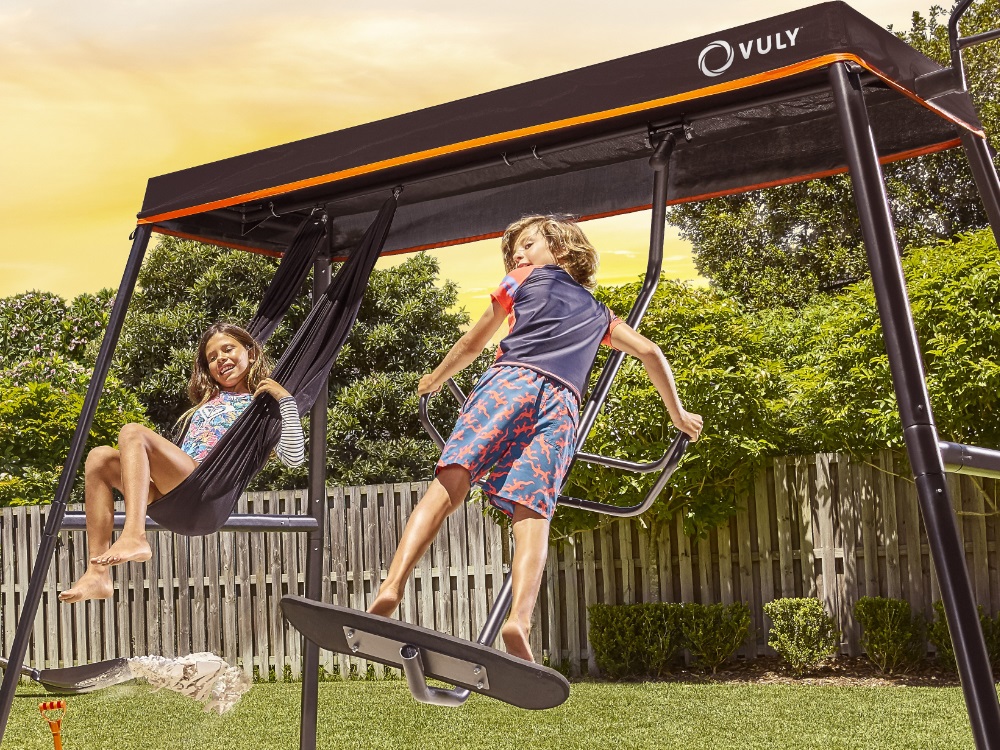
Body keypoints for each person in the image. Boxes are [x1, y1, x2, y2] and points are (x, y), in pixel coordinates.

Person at [368, 215, 703, 661]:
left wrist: (436, 377)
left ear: (561, 250)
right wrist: (677, 414)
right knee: (534, 511)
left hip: (509, 383)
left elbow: (473, 341)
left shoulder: (523, 279)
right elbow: (650, 352)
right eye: (514, 253)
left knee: (453, 478)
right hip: (561, 405)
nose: (517, 255)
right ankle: (519, 621)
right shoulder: (602, 314)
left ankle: (392, 586)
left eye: (526, 245)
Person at [59, 322, 305, 603]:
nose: (220, 359)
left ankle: (134, 535)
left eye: (228, 349)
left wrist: (286, 400)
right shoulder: (209, 401)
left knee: (132, 432)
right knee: (99, 458)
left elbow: (294, 459)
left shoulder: (263, 407)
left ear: (250, 352)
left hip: (206, 494)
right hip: (175, 498)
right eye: (212, 358)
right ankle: (97, 575)